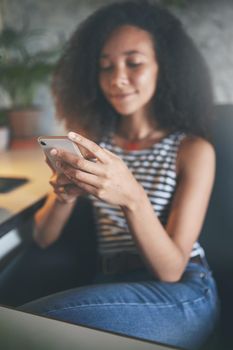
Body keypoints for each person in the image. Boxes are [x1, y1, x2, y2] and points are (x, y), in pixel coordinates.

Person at [18, 1, 219, 349]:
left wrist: (132, 197)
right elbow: (43, 237)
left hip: (180, 292)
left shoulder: (192, 150)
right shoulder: (95, 143)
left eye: (134, 63)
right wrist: (63, 196)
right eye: (105, 67)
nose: (117, 79)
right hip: (108, 282)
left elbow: (170, 269)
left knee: (22, 328)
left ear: (164, 68)